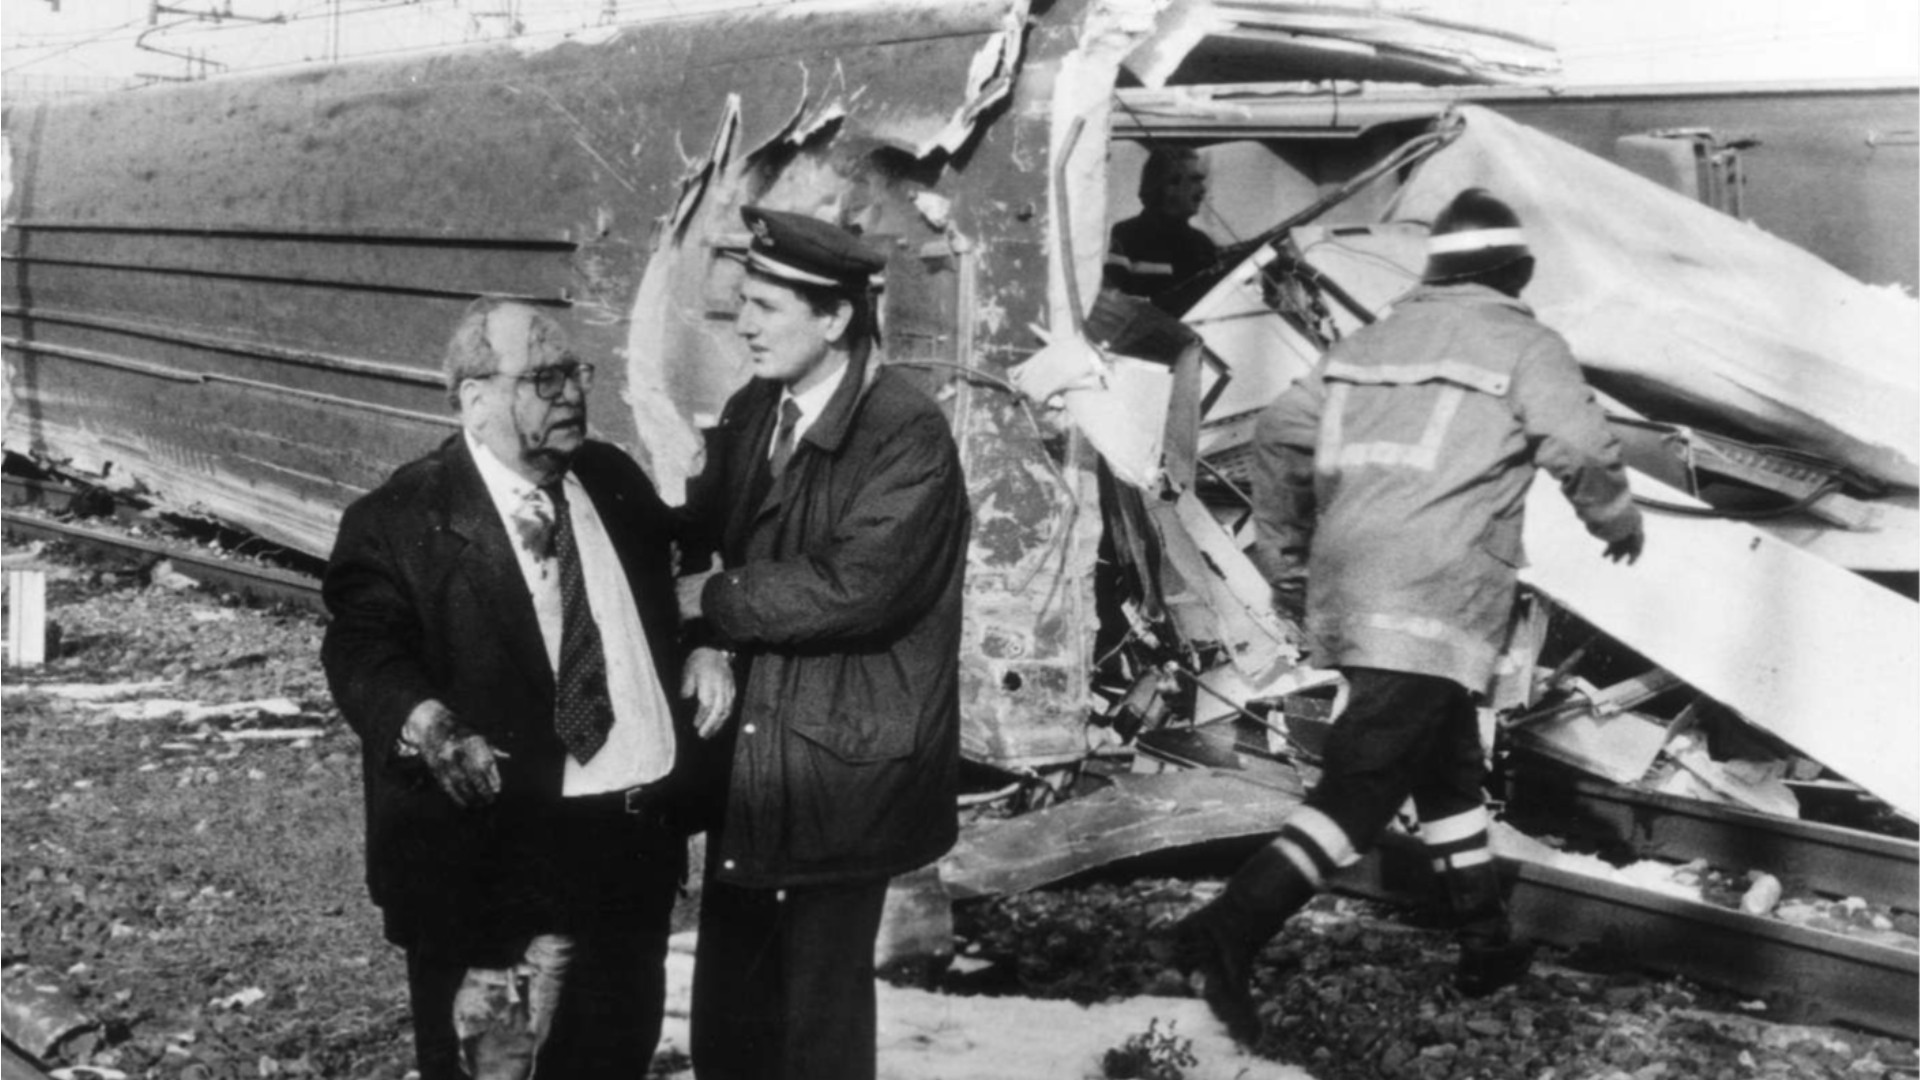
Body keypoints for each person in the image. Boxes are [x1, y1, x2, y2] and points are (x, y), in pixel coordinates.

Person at [1173, 188, 1646, 1043]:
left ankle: (1485, 941)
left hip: (1354, 587)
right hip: (1441, 597)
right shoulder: (1521, 342)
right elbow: (1576, 444)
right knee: (1360, 788)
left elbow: (1281, 430)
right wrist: (1618, 520)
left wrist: (1287, 552)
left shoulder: (1370, 341)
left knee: (1445, 770)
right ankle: (1226, 931)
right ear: (1516, 272)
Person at [321, 298, 713, 1078]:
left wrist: (707, 644)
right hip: (500, 866)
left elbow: (689, 557)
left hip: (629, 851)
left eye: (576, 372)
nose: (572, 393)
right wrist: (430, 726)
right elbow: (363, 646)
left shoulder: (609, 477)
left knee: (611, 1060)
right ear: (476, 399)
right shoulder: (404, 518)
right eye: (543, 377)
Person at [678, 206, 971, 1080]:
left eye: (767, 304)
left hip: (842, 764)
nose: (745, 322)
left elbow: (859, 587)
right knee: (732, 1004)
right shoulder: (755, 409)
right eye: (742, 300)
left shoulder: (906, 431)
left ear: (837, 318)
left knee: (817, 1017)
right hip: (757, 756)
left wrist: (712, 600)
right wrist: (701, 639)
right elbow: (705, 530)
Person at [1105, 146, 1219, 307]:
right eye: (1195, 180)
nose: (1203, 190)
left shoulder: (1203, 244)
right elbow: (1114, 306)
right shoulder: (1123, 237)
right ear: (1169, 186)